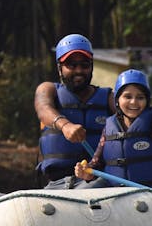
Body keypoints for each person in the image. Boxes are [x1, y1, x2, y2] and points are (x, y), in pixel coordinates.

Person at [73, 69, 152, 206]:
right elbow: (95, 165)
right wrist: (85, 173)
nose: (134, 102)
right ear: (117, 99)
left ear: (147, 100)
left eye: (140, 97)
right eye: (127, 96)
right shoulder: (108, 128)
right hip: (119, 202)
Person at [34, 33, 114, 188]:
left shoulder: (109, 97)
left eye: (84, 65)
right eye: (71, 65)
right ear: (59, 68)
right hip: (56, 184)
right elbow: (43, 108)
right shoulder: (49, 89)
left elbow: (129, 114)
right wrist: (65, 125)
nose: (79, 70)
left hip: (97, 183)